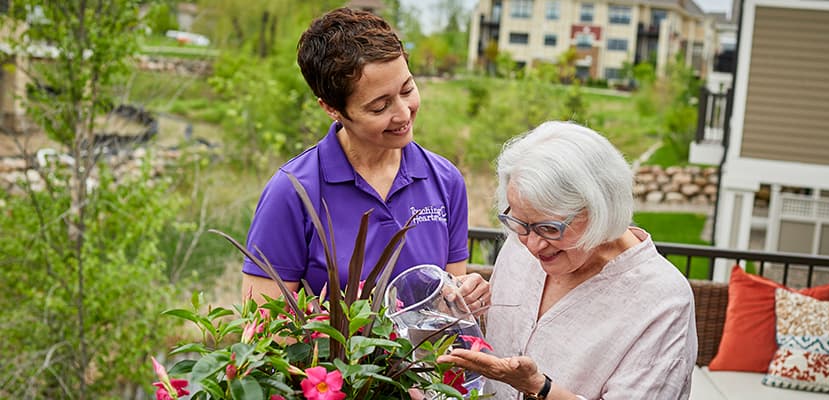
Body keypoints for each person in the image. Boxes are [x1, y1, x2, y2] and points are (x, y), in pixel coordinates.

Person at [241, 7, 488, 310]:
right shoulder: (293, 193)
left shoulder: (445, 181)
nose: (402, 113)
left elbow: (449, 307)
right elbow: (264, 327)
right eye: (379, 106)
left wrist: (465, 300)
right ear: (332, 108)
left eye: (407, 89)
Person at [438, 121, 697, 400]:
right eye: (520, 222)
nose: (533, 245)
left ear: (601, 208)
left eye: (550, 228)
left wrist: (540, 388)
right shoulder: (522, 241)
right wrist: (470, 309)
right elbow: (501, 342)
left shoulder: (663, 301)